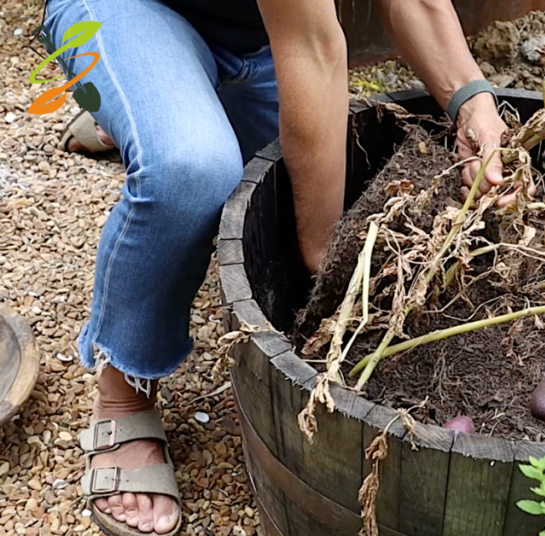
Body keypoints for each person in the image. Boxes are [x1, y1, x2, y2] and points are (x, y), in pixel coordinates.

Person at [43, 0, 511, 533]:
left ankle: (151, 98)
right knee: (191, 172)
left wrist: (470, 99)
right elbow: (312, 48)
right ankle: (125, 391)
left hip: (258, 35)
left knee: (291, 179)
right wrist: (326, 259)